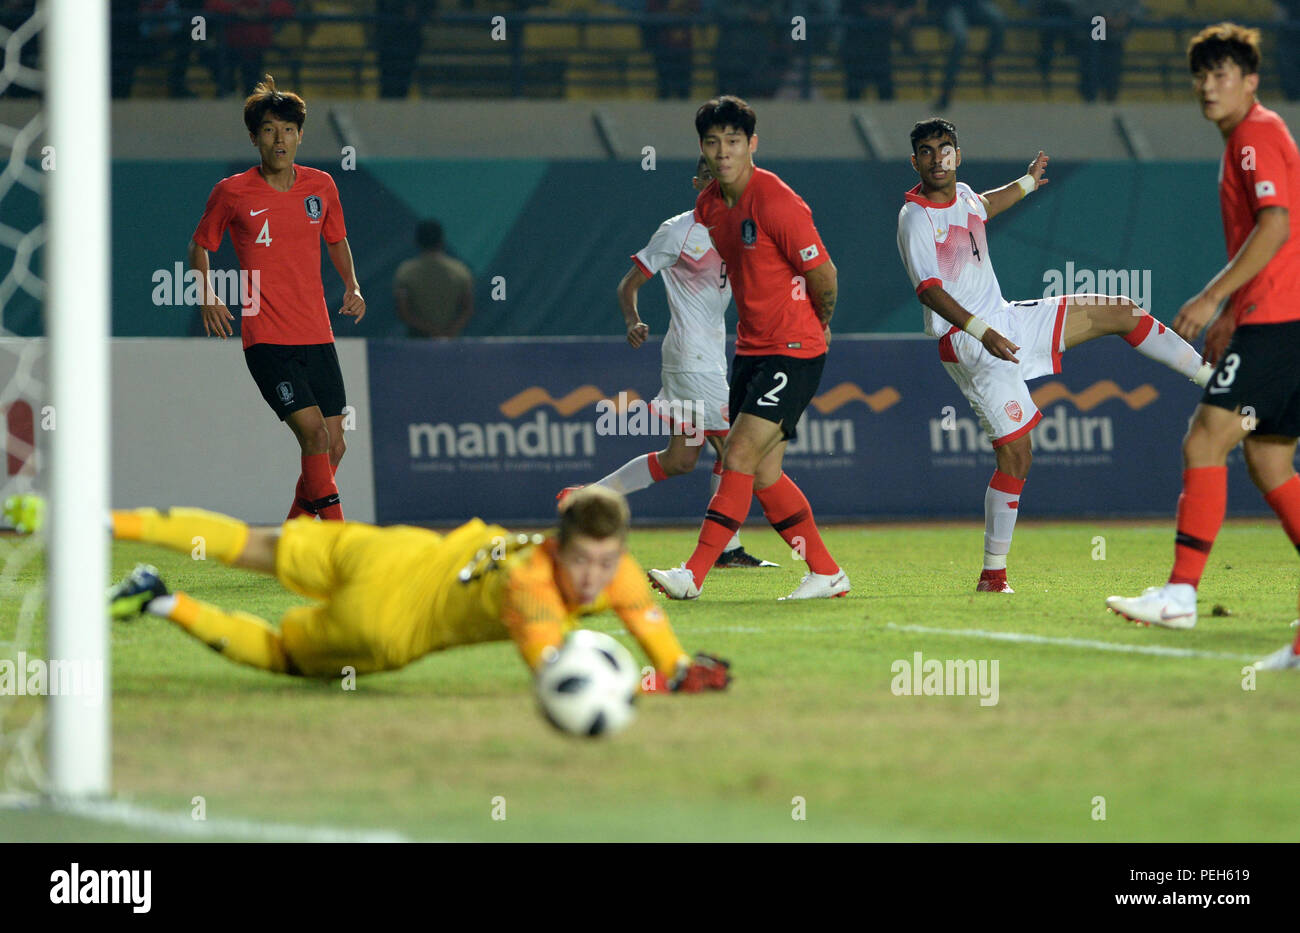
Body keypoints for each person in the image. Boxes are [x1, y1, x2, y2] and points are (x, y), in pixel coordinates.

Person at [897, 117, 1212, 593]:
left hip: (1008, 320)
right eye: (926, 150)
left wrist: (1025, 183)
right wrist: (981, 332)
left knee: (1120, 311)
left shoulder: (962, 195)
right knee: (1018, 457)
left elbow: (983, 206)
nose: (936, 157)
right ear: (915, 160)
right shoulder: (914, 218)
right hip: (968, 342)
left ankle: (1210, 376)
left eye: (945, 148)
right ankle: (992, 576)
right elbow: (929, 291)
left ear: (956, 156)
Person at [105, 486, 732, 692]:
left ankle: (110, 524)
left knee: (251, 542)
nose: (596, 576)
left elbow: (665, 652)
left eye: (605, 562)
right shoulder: (529, 589)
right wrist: (632, 685)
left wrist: (673, 672)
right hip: (388, 621)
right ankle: (160, 595)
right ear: (557, 547)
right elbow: (558, 678)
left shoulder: (616, 571)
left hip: (395, 548)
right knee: (283, 656)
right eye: (583, 562)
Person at [1104, 25, 1300, 666]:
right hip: (1278, 319)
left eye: (1223, 75)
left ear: (1250, 81)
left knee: (1205, 439)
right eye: (1202, 76)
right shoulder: (1254, 134)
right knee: (1269, 462)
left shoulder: (1254, 136)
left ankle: (1181, 595)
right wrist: (1233, 313)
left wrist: (1213, 297)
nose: (1209, 87)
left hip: (1281, 321)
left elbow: (1276, 223)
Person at [647, 96, 849, 601]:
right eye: (713, 143)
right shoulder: (708, 207)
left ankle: (692, 574)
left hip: (794, 348)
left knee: (737, 453)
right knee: (763, 471)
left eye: (733, 141)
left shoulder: (777, 199)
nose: (723, 152)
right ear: (702, 148)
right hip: (751, 350)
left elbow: (824, 275)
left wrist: (819, 324)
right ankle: (826, 572)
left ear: (752, 144)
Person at [558, 156, 777, 570]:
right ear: (697, 182)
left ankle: (583, 497)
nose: (719, 183)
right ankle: (726, 548)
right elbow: (630, 284)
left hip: (711, 355)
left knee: (679, 459)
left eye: (727, 175)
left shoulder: (739, 229)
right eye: (709, 176)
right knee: (738, 452)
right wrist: (633, 320)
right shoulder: (678, 230)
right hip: (690, 359)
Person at [188, 75, 365, 522]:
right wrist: (206, 294)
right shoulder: (232, 192)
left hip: (317, 334)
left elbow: (337, 239)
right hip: (267, 340)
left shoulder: (321, 186)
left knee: (335, 443)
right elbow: (200, 245)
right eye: (269, 129)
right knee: (314, 437)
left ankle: (293, 538)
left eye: (288, 129)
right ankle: (336, 543)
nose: (279, 138)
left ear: (300, 136)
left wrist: (353, 285)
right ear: (254, 138)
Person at [394, 219, 474, 338]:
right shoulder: (460, 271)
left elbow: (403, 312)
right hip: (451, 342)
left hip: (416, 344)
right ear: (442, 241)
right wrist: (449, 333)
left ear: (417, 241)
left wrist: (431, 331)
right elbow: (467, 308)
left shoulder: (405, 272)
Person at [932, 0, 1005, 110]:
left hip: (972, 3)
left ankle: (987, 60)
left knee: (999, 20)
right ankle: (946, 90)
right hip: (949, 6)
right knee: (961, 39)